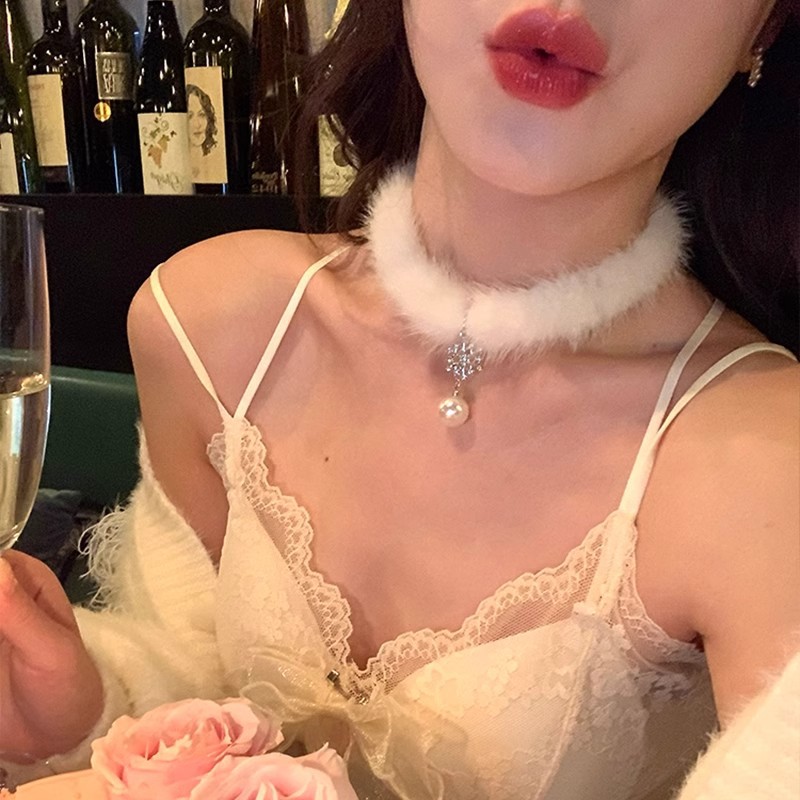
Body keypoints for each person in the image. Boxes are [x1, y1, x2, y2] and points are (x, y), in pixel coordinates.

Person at [1, 0, 798, 797]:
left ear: (764, 26)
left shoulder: (766, 459)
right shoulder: (214, 325)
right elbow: (189, 674)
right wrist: (81, 709)